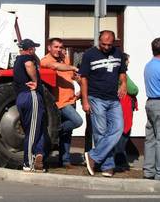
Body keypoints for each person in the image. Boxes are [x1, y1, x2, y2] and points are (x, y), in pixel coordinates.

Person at [80, 30, 127, 177]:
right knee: (100, 132)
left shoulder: (119, 53)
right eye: (103, 44)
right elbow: (83, 79)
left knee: (118, 129)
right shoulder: (89, 55)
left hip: (113, 99)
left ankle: (93, 156)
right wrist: (85, 101)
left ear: (114, 42)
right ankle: (107, 166)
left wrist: (123, 84)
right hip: (96, 98)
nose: (106, 47)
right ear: (99, 41)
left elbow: (122, 72)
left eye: (109, 44)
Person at [40, 38, 83, 168]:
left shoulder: (65, 59)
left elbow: (75, 77)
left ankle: (64, 161)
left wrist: (81, 89)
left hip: (71, 99)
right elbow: (55, 67)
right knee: (77, 121)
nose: (59, 50)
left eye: (60, 47)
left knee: (67, 133)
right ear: (49, 48)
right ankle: (53, 130)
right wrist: (72, 66)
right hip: (60, 102)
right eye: (56, 47)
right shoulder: (46, 60)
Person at [13, 38, 46, 172]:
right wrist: (35, 81)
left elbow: (34, 61)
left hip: (21, 96)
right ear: (30, 49)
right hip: (30, 95)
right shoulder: (26, 59)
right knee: (32, 132)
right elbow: (29, 65)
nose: (35, 51)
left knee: (33, 129)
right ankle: (28, 163)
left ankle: (38, 154)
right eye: (34, 48)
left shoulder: (18, 60)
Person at [114, 53, 139, 170]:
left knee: (120, 132)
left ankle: (120, 160)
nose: (129, 62)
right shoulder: (123, 75)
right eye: (128, 60)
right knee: (123, 133)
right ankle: (120, 161)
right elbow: (133, 89)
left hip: (120, 105)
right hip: (124, 106)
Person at [143, 37, 160, 180]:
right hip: (159, 103)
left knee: (150, 138)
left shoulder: (149, 65)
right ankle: (159, 172)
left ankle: (148, 171)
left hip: (150, 103)